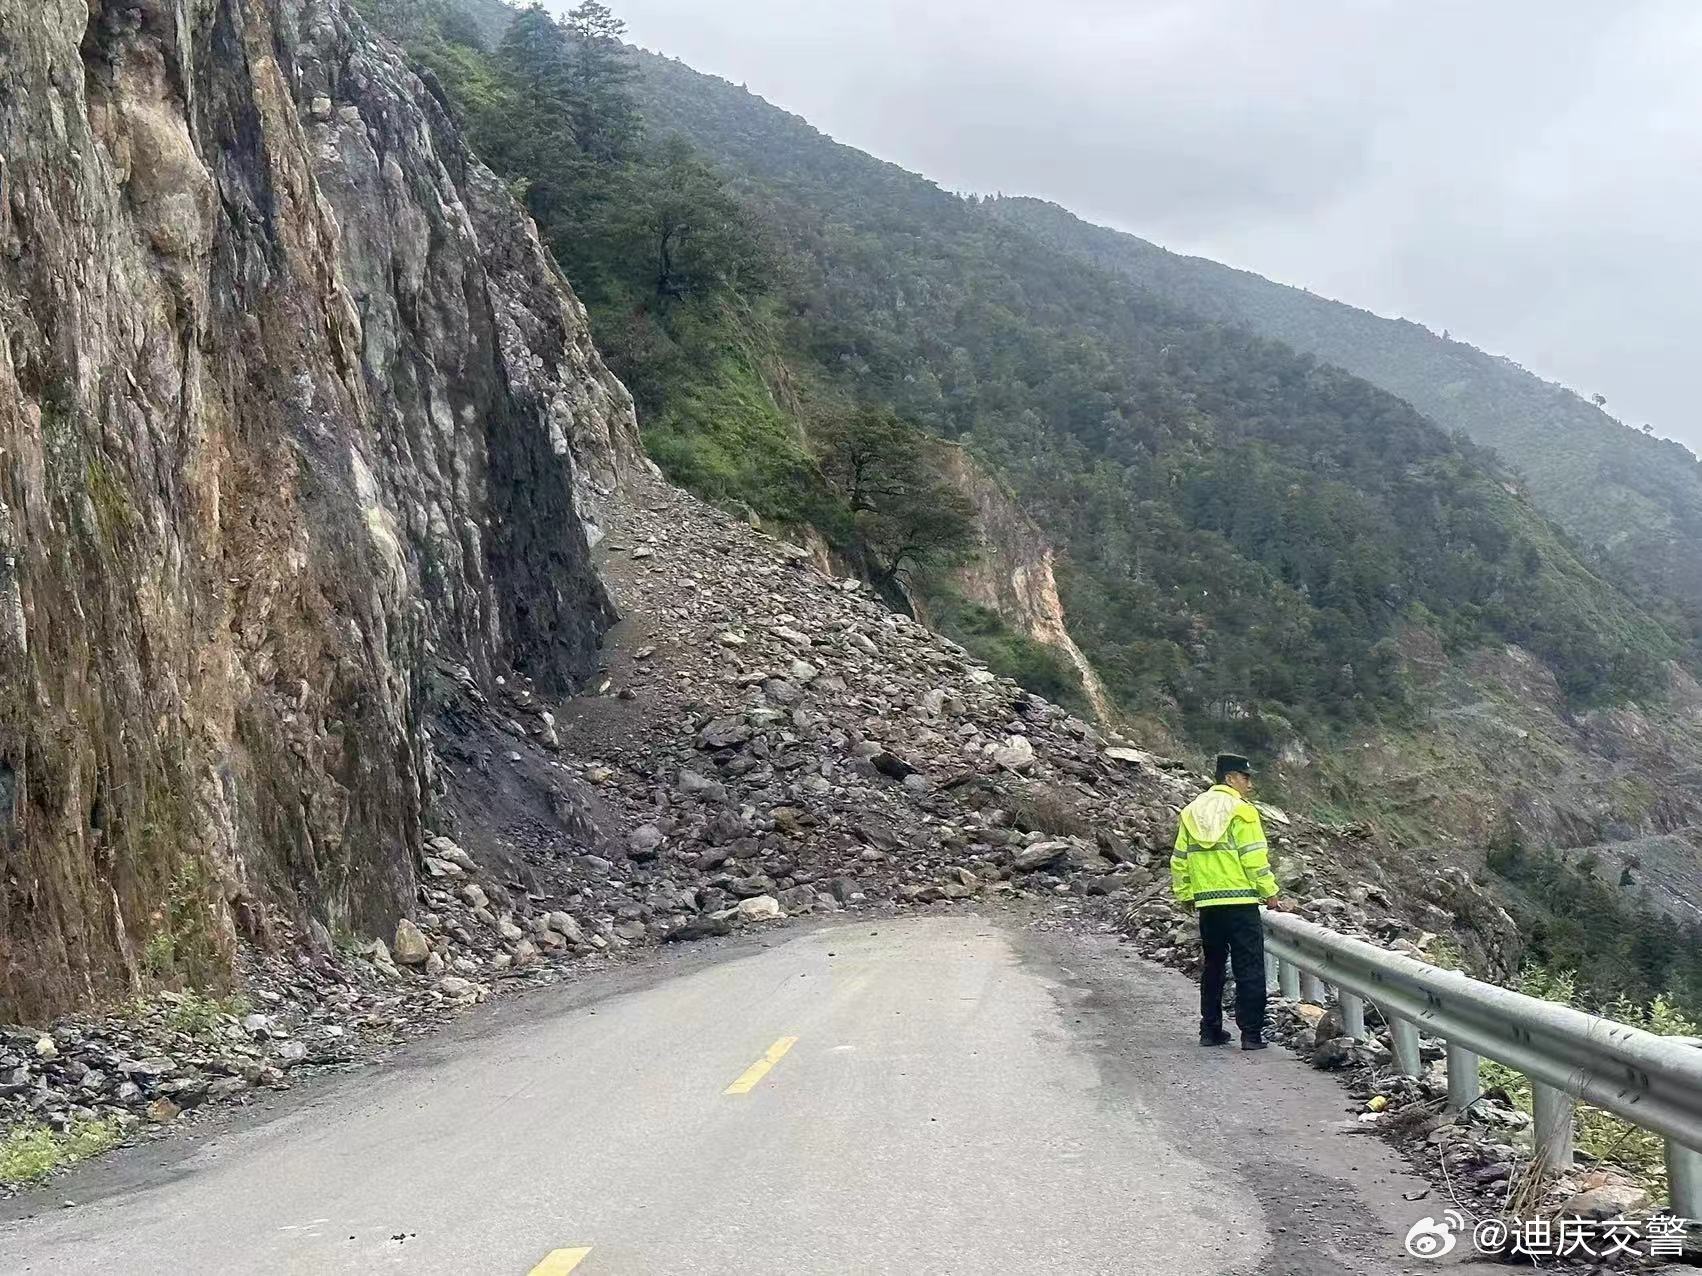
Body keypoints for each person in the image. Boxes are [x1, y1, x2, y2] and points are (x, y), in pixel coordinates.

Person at [1171, 753, 1286, 1049]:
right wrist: (1270, 892)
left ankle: (1209, 1030)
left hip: (1208, 904)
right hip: (1241, 900)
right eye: (1245, 777)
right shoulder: (1242, 811)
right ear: (1230, 778)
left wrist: (1186, 894)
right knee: (1249, 966)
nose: (1250, 783)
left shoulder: (1192, 811)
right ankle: (1251, 1034)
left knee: (1213, 966)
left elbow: (1180, 860)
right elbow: (1254, 858)